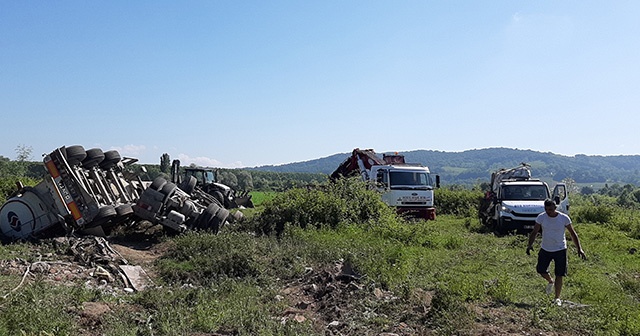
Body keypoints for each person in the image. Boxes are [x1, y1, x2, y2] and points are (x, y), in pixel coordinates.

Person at [526, 199, 586, 306]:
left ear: (555, 208)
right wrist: (529, 245)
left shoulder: (564, 218)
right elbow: (535, 232)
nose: (548, 211)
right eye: (546, 209)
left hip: (560, 249)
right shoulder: (541, 217)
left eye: (550, 209)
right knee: (540, 269)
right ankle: (550, 281)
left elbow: (573, 234)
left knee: (560, 274)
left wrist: (579, 249)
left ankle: (557, 298)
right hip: (545, 248)